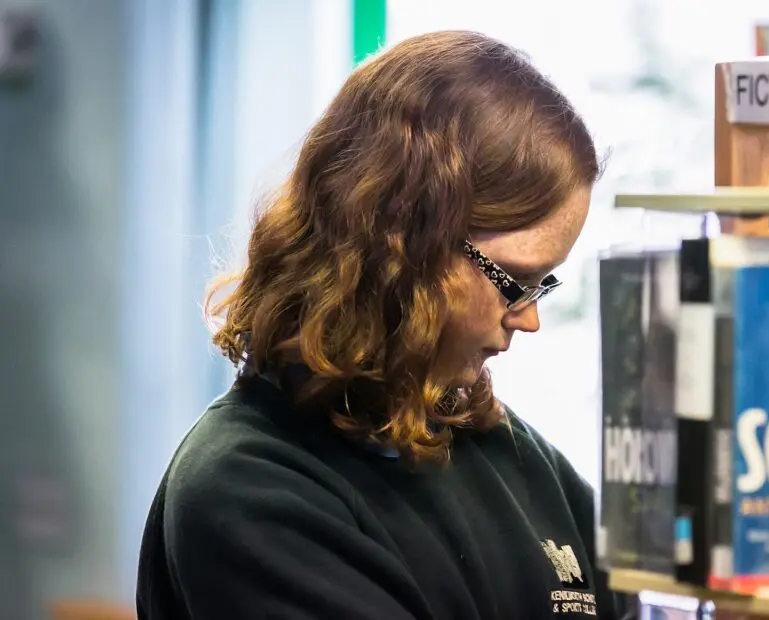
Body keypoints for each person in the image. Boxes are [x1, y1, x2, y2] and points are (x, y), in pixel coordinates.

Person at [135, 30, 631, 620]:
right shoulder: (251, 486)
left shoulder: (504, 451)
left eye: (543, 285)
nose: (529, 318)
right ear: (402, 246)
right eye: (515, 280)